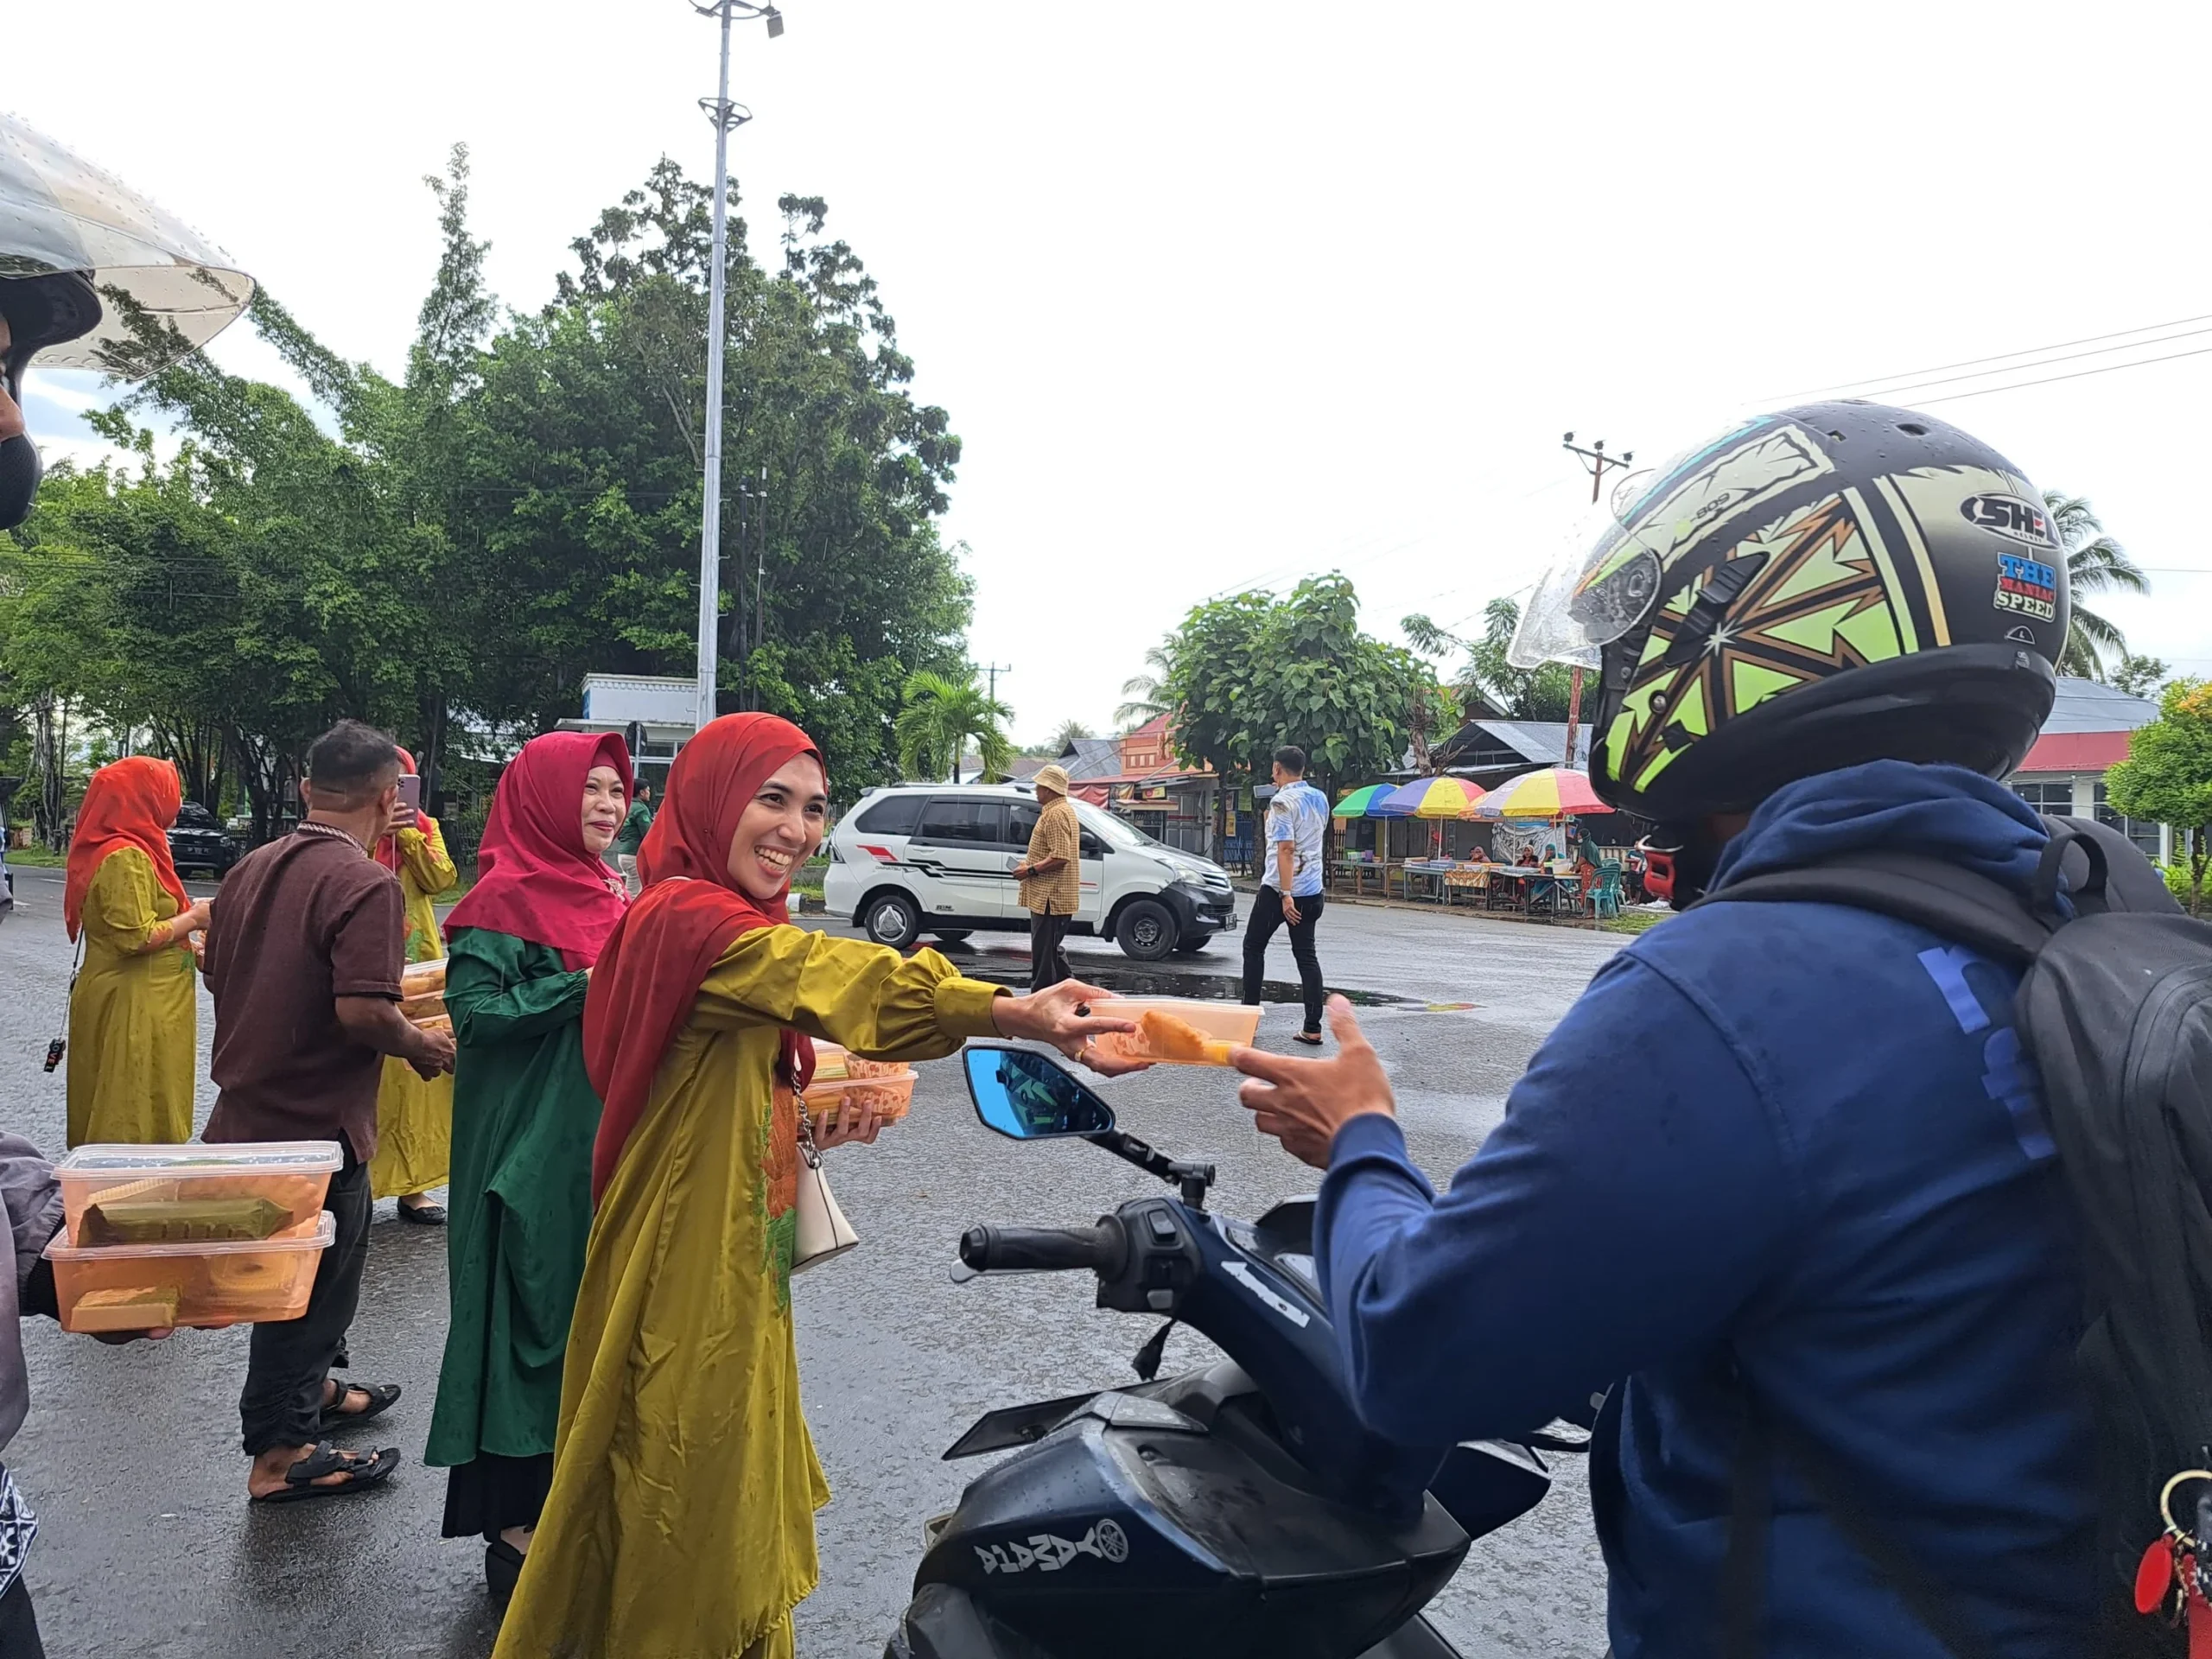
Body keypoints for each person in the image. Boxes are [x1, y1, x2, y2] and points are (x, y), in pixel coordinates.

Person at [1231, 402, 2109, 1657]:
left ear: (1756, 639)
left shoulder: (1736, 990)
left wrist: (1365, 1141)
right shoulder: (2080, 925)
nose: (1623, 680)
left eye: (1642, 639)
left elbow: (1425, 1358)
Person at [492, 713, 1133, 1659]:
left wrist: (802, 1109)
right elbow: (842, 980)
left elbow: (743, 1055)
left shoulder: (716, 921)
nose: (795, 828)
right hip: (683, 1258)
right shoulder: (687, 920)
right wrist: (1007, 1009)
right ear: (712, 802)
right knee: (680, 1481)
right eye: (772, 799)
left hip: (728, 1243)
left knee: (711, 1470)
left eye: (813, 808)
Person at [201, 720, 456, 1504]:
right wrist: (423, 1045)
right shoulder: (366, 883)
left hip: (248, 1112)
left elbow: (216, 972)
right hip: (318, 1127)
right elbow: (362, 1012)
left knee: (297, 1281)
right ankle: (281, 1456)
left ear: (307, 790)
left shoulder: (251, 867)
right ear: (389, 802)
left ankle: (311, 1397)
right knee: (311, 1292)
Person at [426, 731, 632, 1600]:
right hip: (525, 1145)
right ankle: (514, 1521)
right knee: (528, 1312)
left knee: (594, 1310)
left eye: (619, 792)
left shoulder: (613, 892)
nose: (608, 806)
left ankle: (579, 1497)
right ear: (544, 794)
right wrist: (583, 983)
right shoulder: (499, 900)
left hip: (601, 1136)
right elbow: (473, 1018)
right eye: (590, 788)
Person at [61, 757, 207, 1147]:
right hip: (134, 1002)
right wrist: (194, 918)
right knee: (129, 1107)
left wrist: (187, 944)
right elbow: (133, 938)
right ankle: (125, 1192)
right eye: (166, 793)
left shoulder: (139, 847)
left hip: (148, 998)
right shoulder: (124, 856)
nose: (173, 804)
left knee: (150, 1097)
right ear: (142, 797)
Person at [369, 747, 460, 1224]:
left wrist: (408, 836)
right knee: (370, 1067)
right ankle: (359, 1183)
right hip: (366, 950)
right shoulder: (358, 824)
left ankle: (416, 1188)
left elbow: (443, 878)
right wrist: (373, 835)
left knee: (419, 1069)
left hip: (417, 962)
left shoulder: (423, 827)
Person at [1241, 745, 1331, 1046]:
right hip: (1314, 889)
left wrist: (1286, 893)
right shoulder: (1320, 798)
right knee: (1307, 957)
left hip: (1281, 891)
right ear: (1302, 769)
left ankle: (1247, 1022)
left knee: (1253, 947)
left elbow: (1286, 849)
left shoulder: (1281, 802)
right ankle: (1313, 1027)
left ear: (1278, 769)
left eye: (1273, 769)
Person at [1011, 763, 1080, 990]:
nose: (1036, 790)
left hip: (1050, 897)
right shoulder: (1062, 811)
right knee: (1050, 952)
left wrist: (1029, 870)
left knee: (1044, 957)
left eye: (1039, 786)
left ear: (1049, 789)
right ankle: (1075, 998)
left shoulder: (1056, 814)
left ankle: (1040, 1002)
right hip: (1051, 897)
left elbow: (1060, 856)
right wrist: (1030, 864)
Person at [610, 781, 653, 895]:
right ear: (642, 792)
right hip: (634, 854)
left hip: (623, 854)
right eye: (648, 790)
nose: (650, 793)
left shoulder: (626, 806)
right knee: (633, 893)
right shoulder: (641, 809)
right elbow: (648, 833)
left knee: (632, 887)